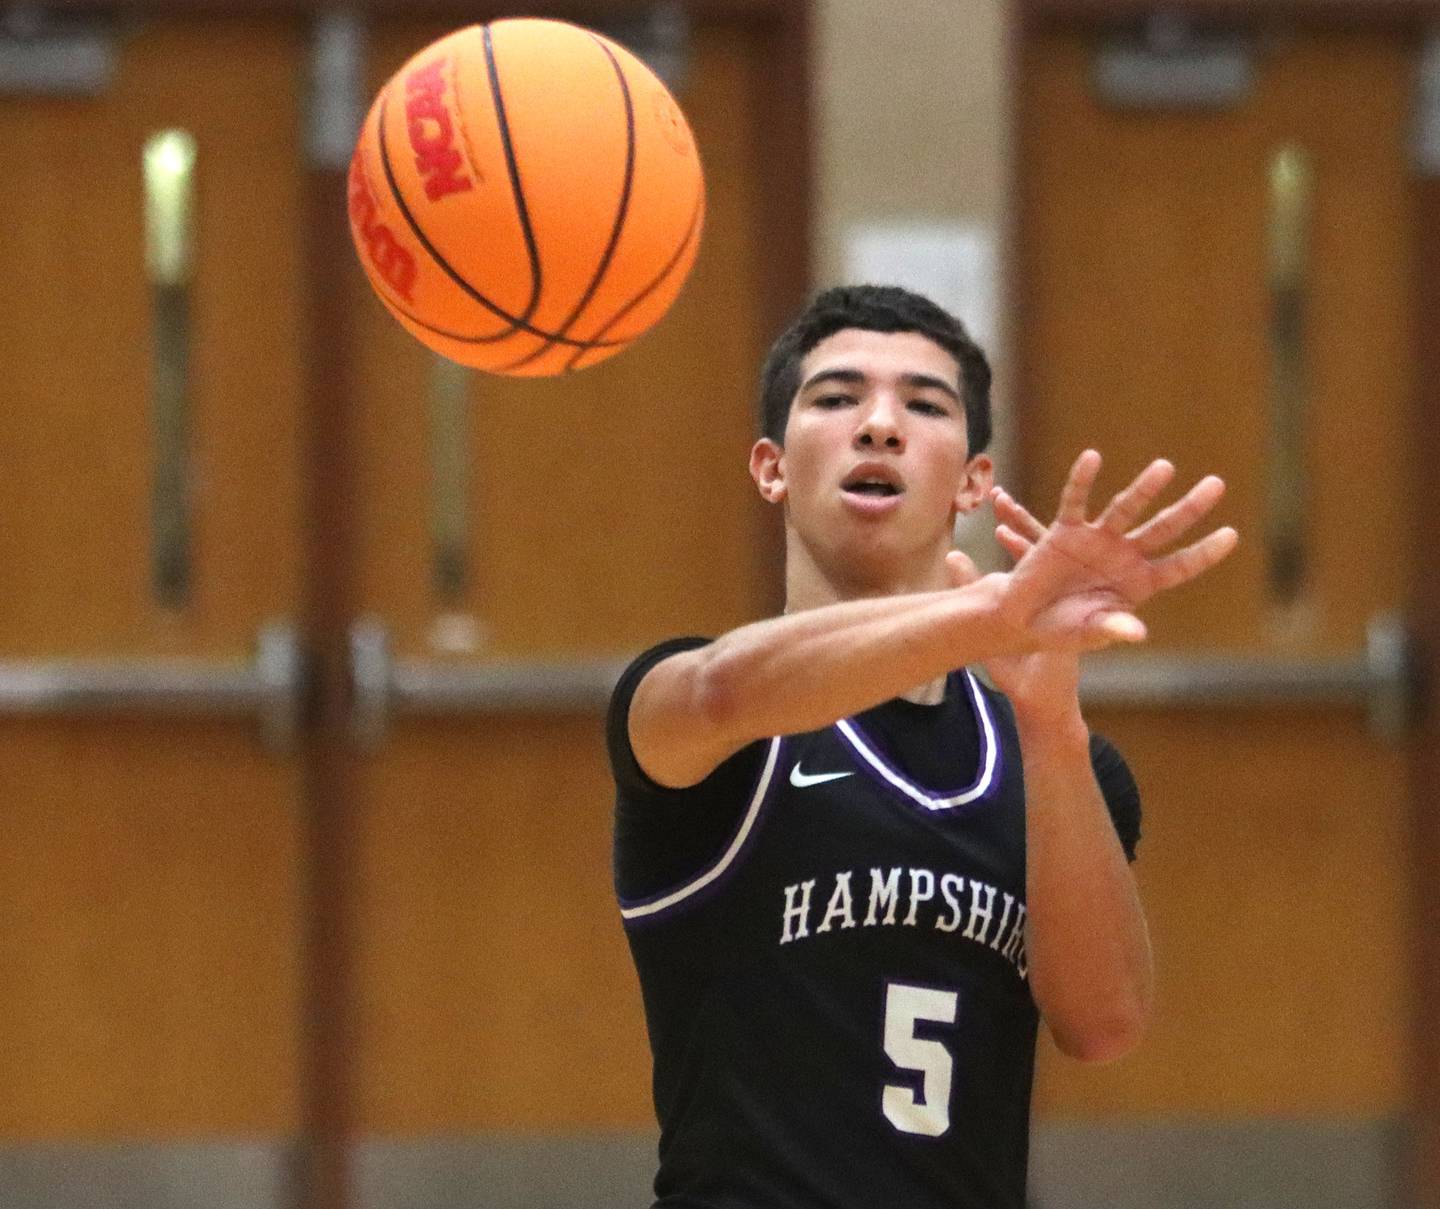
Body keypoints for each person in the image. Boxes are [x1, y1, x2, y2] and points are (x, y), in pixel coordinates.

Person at [605, 284, 1237, 1209]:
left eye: (925, 404)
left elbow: (1103, 1025)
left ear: (974, 482)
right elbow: (725, 688)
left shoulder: (1054, 757)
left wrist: (1054, 730)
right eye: (836, 397)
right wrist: (990, 613)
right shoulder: (699, 712)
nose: (879, 425)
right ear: (771, 467)